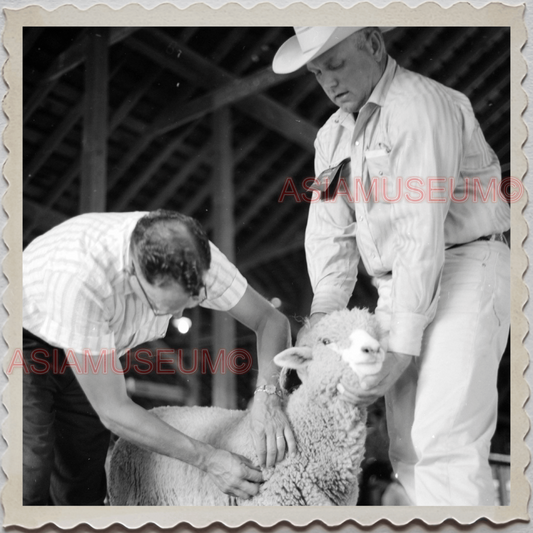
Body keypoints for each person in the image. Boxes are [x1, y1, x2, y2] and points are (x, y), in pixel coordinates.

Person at [273, 27, 510, 506]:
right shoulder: (332, 135)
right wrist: (322, 320)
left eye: (336, 64)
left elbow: (419, 229)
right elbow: (330, 232)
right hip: (396, 285)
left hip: (464, 265)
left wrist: (400, 349)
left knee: (443, 441)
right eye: (318, 74)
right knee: (406, 447)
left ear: (374, 44)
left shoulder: (422, 105)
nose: (329, 83)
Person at [22, 209, 296, 505]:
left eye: (192, 300)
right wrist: (209, 459)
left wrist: (269, 395)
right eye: (166, 308)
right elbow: (113, 410)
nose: (179, 314)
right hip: (24, 334)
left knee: (82, 480)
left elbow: (271, 321)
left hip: (97, 341)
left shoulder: (196, 256)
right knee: (29, 469)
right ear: (132, 275)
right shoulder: (81, 281)